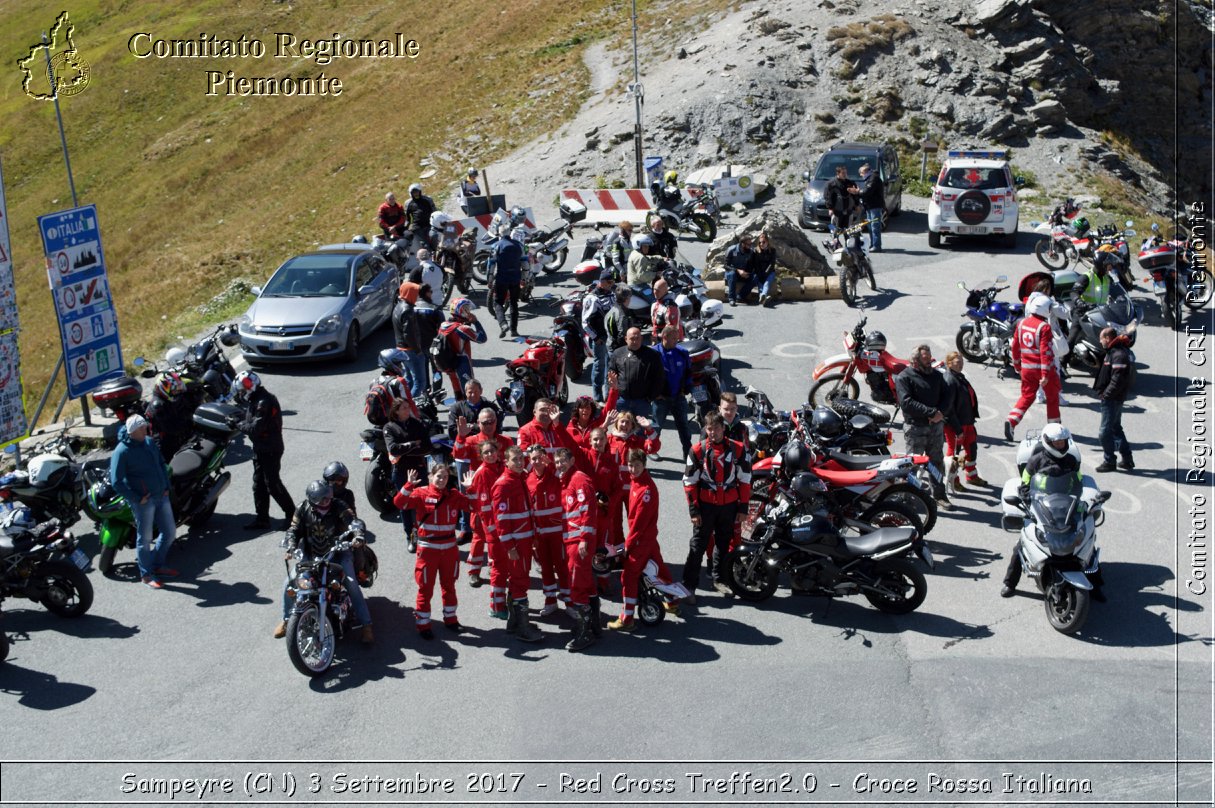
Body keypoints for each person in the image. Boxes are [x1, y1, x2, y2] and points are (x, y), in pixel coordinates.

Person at [1000, 425, 1103, 601]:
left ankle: (1096, 586)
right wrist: (1027, 501)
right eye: (1057, 442)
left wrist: (1083, 501)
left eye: (1062, 442)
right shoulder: (1035, 461)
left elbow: (1077, 482)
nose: (1060, 445)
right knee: (1022, 545)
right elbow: (1025, 484)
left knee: (1087, 542)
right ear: (1048, 442)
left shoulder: (1071, 460)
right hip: (1041, 505)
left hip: (1065, 504)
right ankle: (1010, 582)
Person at [278, 481, 373, 643]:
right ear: (313, 499)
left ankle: (366, 625)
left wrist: (358, 534)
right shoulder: (302, 508)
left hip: (338, 552)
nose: (327, 500)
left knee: (351, 583)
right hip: (311, 554)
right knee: (290, 583)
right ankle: (288, 620)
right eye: (322, 499)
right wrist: (291, 546)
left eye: (328, 496)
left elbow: (354, 521)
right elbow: (293, 529)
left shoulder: (338, 505)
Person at [394, 463, 476, 638]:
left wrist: (470, 489)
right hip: (428, 549)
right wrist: (408, 485)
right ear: (431, 477)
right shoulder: (421, 493)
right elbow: (399, 503)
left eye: (445, 477)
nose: (441, 480)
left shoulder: (453, 495)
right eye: (438, 476)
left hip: (449, 549)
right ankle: (423, 625)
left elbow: (474, 507)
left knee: (449, 586)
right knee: (425, 588)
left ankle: (451, 619)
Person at [682, 411, 751, 602]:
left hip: (729, 506)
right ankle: (689, 585)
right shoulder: (697, 450)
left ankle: (719, 579)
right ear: (705, 428)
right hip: (705, 506)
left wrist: (743, 508)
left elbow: (745, 480)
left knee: (723, 543)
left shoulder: (738, 449)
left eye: (717, 428)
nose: (713, 432)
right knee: (698, 545)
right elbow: (689, 482)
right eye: (709, 428)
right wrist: (694, 510)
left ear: (724, 428)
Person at [608, 449, 679, 631]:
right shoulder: (636, 483)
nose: (632, 469)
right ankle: (672, 601)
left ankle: (627, 618)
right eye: (630, 465)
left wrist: (627, 546)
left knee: (629, 576)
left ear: (644, 465)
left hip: (641, 540)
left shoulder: (645, 490)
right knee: (660, 568)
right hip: (647, 538)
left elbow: (638, 524)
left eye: (637, 465)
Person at [110, 414, 177, 589]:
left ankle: (157, 565)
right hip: (143, 502)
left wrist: (165, 486)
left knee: (169, 533)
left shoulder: (148, 442)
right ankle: (146, 575)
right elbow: (116, 481)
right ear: (133, 431)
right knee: (145, 539)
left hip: (161, 495)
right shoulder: (122, 451)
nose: (146, 429)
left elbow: (161, 463)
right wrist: (137, 498)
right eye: (142, 428)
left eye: (145, 426)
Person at [489, 446, 543, 642]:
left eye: (521, 458)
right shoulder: (503, 485)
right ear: (506, 462)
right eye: (515, 459)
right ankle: (523, 628)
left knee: (519, 580)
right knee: (520, 582)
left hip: (525, 540)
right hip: (516, 543)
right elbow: (501, 520)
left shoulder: (520, 479)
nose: (520, 462)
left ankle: (514, 623)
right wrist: (509, 547)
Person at [236, 372, 296, 530]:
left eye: (242, 390)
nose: (241, 394)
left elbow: (256, 428)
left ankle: (292, 515)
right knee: (259, 485)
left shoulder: (264, 401)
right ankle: (262, 518)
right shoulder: (255, 399)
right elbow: (250, 419)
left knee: (273, 484)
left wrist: (238, 424)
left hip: (270, 448)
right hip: (260, 448)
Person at [895, 345, 953, 509]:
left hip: (935, 428)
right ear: (915, 361)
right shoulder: (904, 378)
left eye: (929, 357)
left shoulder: (936, 376)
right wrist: (931, 413)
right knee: (912, 465)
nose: (929, 362)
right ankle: (907, 497)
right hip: (915, 429)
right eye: (925, 359)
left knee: (936, 462)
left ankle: (939, 495)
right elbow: (906, 403)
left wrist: (940, 412)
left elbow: (947, 395)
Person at [554, 446, 599, 651]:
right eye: (557, 462)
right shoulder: (568, 480)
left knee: (577, 586)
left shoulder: (579, 480)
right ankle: (592, 625)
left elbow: (587, 511)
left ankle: (585, 633)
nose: (559, 465)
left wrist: (584, 539)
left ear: (572, 460)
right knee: (586, 583)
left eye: (563, 461)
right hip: (573, 542)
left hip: (579, 543)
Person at [1006, 295, 1062, 442]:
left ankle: (1012, 420)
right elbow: (1046, 352)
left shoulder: (1022, 323)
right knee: (1052, 398)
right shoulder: (1044, 327)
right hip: (1044, 370)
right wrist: (1045, 374)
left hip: (1026, 369)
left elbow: (1015, 346)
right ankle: (1054, 429)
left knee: (1026, 396)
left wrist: (1017, 365)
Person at [605, 409, 661, 555]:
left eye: (628, 423)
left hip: (633, 490)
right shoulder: (609, 440)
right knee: (615, 524)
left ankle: (635, 551)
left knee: (635, 522)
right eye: (622, 421)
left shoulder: (637, 441)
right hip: (615, 490)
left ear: (632, 426)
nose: (624, 425)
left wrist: (649, 429)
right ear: (616, 423)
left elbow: (654, 447)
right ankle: (618, 553)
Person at [526, 443, 569, 616]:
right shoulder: (527, 480)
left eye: (540, 458)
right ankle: (550, 600)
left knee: (562, 567)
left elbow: (563, 472)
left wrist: (550, 463)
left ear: (546, 459)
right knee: (545, 568)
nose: (537, 461)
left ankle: (570, 602)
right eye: (533, 459)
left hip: (557, 531)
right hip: (540, 533)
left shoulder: (556, 475)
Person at [384, 397, 431, 550]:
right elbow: (393, 449)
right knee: (405, 505)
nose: (407, 410)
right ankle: (410, 536)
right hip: (401, 472)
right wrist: (412, 444)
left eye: (408, 407)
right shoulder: (390, 427)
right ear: (396, 411)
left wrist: (405, 449)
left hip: (419, 469)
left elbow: (427, 447)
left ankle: (425, 532)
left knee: (422, 502)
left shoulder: (417, 424)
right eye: (403, 408)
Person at [940, 352, 987, 491]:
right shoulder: (949, 380)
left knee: (971, 450)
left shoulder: (959, 377)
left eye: (961, 361)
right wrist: (958, 429)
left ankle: (971, 476)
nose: (960, 363)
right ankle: (953, 480)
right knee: (953, 455)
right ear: (949, 364)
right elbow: (948, 409)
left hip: (967, 422)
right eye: (957, 361)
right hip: (956, 426)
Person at [1093, 326, 1135, 472]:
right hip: (1114, 398)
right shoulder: (1113, 352)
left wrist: (1106, 395)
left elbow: (1117, 380)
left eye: (1101, 339)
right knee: (1116, 428)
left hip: (1112, 399)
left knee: (1104, 433)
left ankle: (1109, 461)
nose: (1100, 342)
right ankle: (1127, 460)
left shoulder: (1118, 355)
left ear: (1107, 338)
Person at [463, 439, 504, 587]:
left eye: (492, 451)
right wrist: (489, 521)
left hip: (497, 513)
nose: (490, 454)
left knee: (496, 543)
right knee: (479, 541)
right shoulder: (482, 473)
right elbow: (482, 502)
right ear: (481, 455)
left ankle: (494, 568)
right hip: (483, 515)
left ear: (497, 452)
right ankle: (474, 572)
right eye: (486, 452)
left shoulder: (501, 467)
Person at [651, 324, 693, 459]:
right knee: (656, 427)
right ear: (664, 337)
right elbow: (647, 376)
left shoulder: (682, 352)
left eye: (678, 337)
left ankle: (688, 454)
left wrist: (686, 390)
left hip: (678, 397)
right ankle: (651, 450)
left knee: (684, 428)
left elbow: (688, 373)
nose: (677, 340)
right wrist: (654, 394)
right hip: (660, 399)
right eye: (674, 338)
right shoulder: (653, 353)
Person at [1027, 277, 1071, 404]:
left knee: (1041, 368)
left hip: (1033, 337)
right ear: (1046, 289)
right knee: (1054, 368)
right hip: (1047, 338)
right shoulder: (1047, 301)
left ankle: (1040, 395)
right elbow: (1064, 313)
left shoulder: (1030, 300)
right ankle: (1057, 396)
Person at [609, 327, 667, 416]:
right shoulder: (617, 353)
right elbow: (611, 373)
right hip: (622, 400)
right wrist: (614, 392)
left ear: (642, 339)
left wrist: (650, 397)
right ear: (626, 339)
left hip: (642, 402)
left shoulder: (652, 355)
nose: (635, 341)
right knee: (621, 428)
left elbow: (659, 378)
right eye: (632, 339)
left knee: (639, 429)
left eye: (637, 338)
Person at [437, 298, 487, 400]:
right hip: (462, 363)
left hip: (449, 361)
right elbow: (482, 338)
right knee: (469, 391)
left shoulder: (444, 325)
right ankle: (470, 412)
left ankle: (459, 409)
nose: (468, 311)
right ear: (460, 311)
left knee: (457, 388)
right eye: (466, 309)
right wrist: (476, 322)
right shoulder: (462, 329)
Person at [582, 270, 617, 401]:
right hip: (599, 339)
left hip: (611, 337)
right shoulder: (592, 298)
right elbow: (585, 322)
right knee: (599, 365)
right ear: (601, 282)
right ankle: (597, 396)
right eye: (609, 282)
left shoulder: (611, 293)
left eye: (612, 282)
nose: (611, 284)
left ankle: (608, 395)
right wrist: (595, 338)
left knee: (611, 365)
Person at [564, 383, 620, 463]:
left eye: (588, 408)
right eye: (582, 407)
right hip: (576, 465)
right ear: (577, 410)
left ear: (592, 410)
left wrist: (613, 389)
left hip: (595, 464)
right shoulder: (570, 428)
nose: (585, 410)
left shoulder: (596, 423)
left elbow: (608, 408)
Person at [392, 282, 430, 399]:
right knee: (420, 382)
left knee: (409, 380)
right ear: (410, 293)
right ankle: (409, 407)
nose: (418, 295)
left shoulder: (398, 306)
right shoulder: (407, 310)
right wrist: (418, 350)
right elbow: (409, 334)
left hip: (402, 349)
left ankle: (404, 404)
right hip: (411, 351)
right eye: (416, 293)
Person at [145, 371, 192, 462]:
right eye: (174, 390)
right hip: (163, 445)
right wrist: (191, 424)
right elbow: (173, 428)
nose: (177, 392)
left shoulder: (165, 400)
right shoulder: (158, 406)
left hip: (170, 437)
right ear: (164, 389)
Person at [491, 226, 526, 338]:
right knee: (513, 303)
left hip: (502, 278)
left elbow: (491, 264)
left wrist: (490, 279)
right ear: (510, 233)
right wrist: (524, 278)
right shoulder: (520, 245)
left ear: (499, 234)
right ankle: (514, 330)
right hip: (515, 278)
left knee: (498, 302)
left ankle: (503, 324)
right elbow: (526, 264)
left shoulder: (496, 246)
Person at [414, 283, 445, 400]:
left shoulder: (412, 308)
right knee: (437, 370)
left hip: (417, 346)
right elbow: (443, 329)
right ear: (427, 293)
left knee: (423, 372)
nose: (432, 294)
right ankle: (437, 395)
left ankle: (426, 395)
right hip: (433, 346)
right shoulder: (435, 309)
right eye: (431, 291)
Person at [825, 164, 860, 234]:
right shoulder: (831, 184)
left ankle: (848, 243)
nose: (845, 174)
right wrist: (830, 208)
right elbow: (827, 197)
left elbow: (855, 195)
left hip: (848, 211)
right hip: (836, 211)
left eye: (846, 173)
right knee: (833, 230)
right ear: (838, 173)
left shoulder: (850, 183)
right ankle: (834, 242)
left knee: (848, 231)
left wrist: (857, 205)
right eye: (843, 173)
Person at [858, 163, 884, 252]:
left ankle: (877, 246)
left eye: (861, 173)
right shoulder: (869, 178)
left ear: (865, 171)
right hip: (869, 206)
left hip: (875, 206)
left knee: (875, 226)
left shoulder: (874, 178)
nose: (861, 175)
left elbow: (867, 191)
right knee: (870, 226)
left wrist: (858, 192)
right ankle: (873, 244)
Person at [724, 234, 755, 306]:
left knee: (755, 277)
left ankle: (740, 296)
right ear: (742, 244)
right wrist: (737, 270)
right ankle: (731, 298)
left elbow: (751, 265)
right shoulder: (731, 250)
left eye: (751, 244)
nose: (750, 246)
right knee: (732, 274)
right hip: (731, 272)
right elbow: (726, 265)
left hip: (743, 273)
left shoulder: (750, 252)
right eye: (748, 244)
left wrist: (747, 273)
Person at [649, 277, 682, 343]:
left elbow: (672, 329)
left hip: (669, 343)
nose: (655, 292)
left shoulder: (671, 307)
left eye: (658, 290)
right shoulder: (655, 304)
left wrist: (658, 337)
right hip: (658, 341)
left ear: (665, 291)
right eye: (654, 289)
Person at [750, 232, 778, 307]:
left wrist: (766, 273)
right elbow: (755, 264)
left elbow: (772, 264)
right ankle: (764, 297)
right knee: (760, 283)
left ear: (767, 242)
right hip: (759, 272)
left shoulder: (772, 250)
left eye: (763, 242)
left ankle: (762, 296)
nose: (761, 244)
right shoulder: (756, 251)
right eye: (760, 242)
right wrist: (760, 274)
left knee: (766, 283)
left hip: (770, 272)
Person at [604, 287, 633, 355]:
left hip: (609, 345)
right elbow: (622, 336)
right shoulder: (622, 314)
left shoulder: (613, 308)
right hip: (618, 350)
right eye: (630, 297)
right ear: (626, 299)